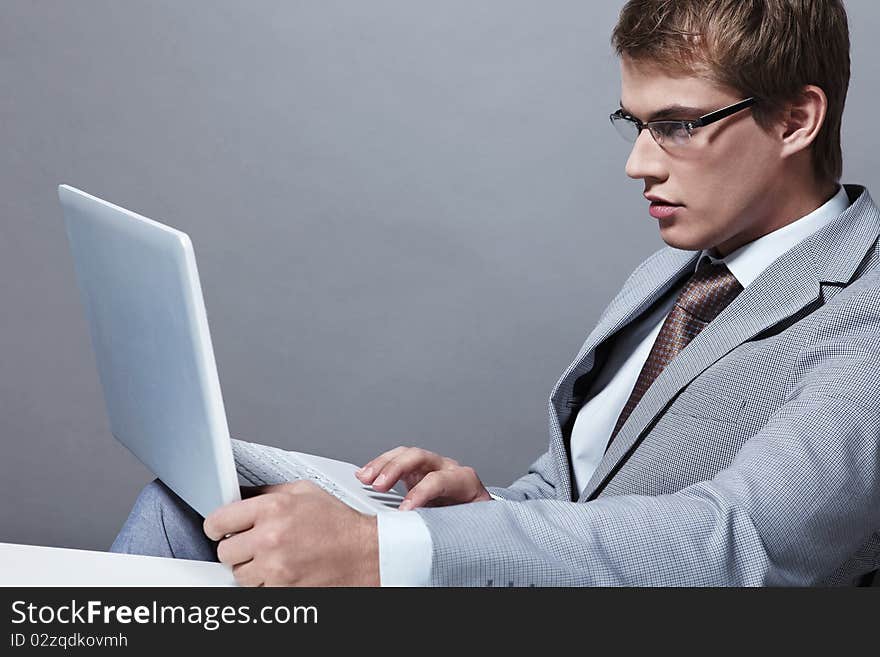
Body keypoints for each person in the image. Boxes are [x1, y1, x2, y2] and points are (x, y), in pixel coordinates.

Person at [111, 0, 880, 586]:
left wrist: (391, 549)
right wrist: (489, 512)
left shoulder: (866, 310)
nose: (638, 164)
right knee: (186, 508)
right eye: (635, 123)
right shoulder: (672, 274)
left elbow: (742, 543)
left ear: (795, 120)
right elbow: (578, 488)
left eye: (677, 125)